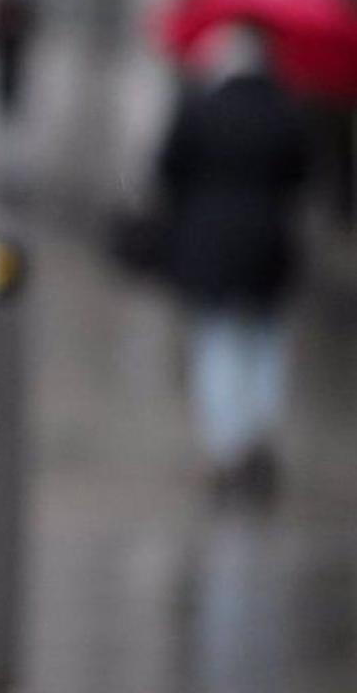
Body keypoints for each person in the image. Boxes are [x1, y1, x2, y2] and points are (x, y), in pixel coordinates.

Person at [155, 25, 311, 498]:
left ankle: (226, 445)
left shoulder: (200, 108)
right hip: (268, 244)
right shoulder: (285, 109)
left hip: (212, 243)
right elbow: (301, 174)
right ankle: (258, 433)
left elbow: (167, 169)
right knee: (264, 340)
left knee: (218, 342)